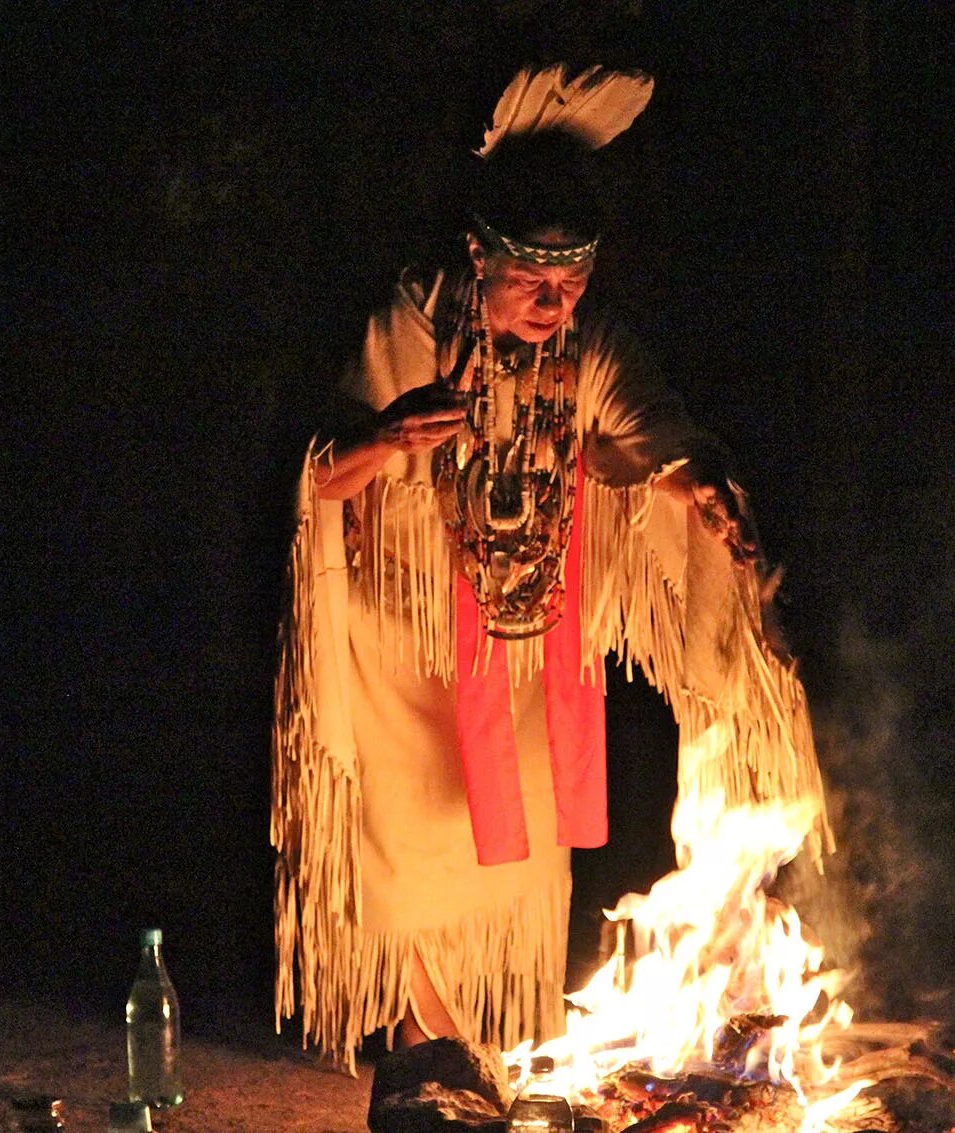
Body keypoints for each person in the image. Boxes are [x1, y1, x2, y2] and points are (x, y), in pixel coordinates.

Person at [271, 65, 829, 1073]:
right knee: (405, 840)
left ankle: (471, 1039)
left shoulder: (588, 345)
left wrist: (694, 484)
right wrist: (392, 437)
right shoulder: (415, 319)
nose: (549, 299)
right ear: (480, 255)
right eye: (531, 277)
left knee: (509, 844)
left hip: (520, 635)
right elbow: (322, 471)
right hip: (397, 639)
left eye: (569, 279)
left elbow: (648, 433)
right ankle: (417, 1039)